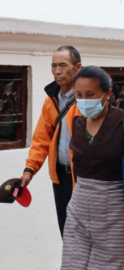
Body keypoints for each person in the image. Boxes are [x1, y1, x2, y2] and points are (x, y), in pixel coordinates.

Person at [61, 66, 124, 269]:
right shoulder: (77, 123)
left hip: (116, 211)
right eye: (79, 94)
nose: (84, 100)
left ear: (108, 93)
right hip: (80, 207)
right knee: (71, 265)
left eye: (90, 94)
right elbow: (78, 168)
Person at [19, 45, 82, 237]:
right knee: (66, 231)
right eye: (54, 66)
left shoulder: (87, 98)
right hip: (60, 177)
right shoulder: (51, 100)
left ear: (77, 67)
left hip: (85, 176)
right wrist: (30, 170)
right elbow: (41, 139)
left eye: (63, 65)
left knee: (87, 233)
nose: (57, 71)